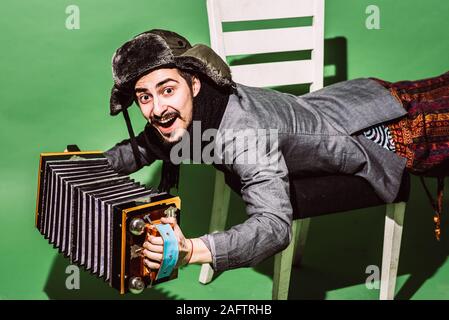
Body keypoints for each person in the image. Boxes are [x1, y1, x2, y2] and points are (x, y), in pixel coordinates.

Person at [104, 29, 449, 273]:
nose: (156, 109)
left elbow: (273, 226)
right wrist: (89, 164)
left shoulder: (244, 133)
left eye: (167, 90)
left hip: (379, 133)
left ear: (193, 83)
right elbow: (146, 146)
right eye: (144, 97)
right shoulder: (199, 104)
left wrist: (190, 250)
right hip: (345, 99)